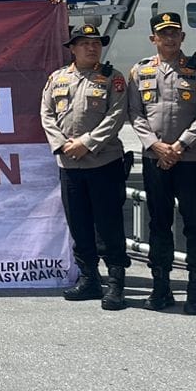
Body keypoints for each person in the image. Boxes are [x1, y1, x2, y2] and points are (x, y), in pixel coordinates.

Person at [126, 12, 196, 313]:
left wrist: (179, 146)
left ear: (182, 36)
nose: (169, 38)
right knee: (159, 223)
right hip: (155, 158)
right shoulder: (139, 71)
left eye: (174, 32)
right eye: (163, 33)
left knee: (195, 223)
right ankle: (161, 287)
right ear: (153, 38)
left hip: (189, 159)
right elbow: (135, 113)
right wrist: (155, 145)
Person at [40, 23, 130, 310]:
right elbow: (46, 114)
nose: (92, 48)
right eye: (84, 43)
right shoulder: (57, 78)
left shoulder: (113, 78)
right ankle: (89, 279)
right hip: (69, 164)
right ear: (72, 49)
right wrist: (62, 144)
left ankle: (115, 284)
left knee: (108, 224)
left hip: (103, 162)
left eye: (96, 43)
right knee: (78, 224)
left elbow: (116, 115)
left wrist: (87, 143)